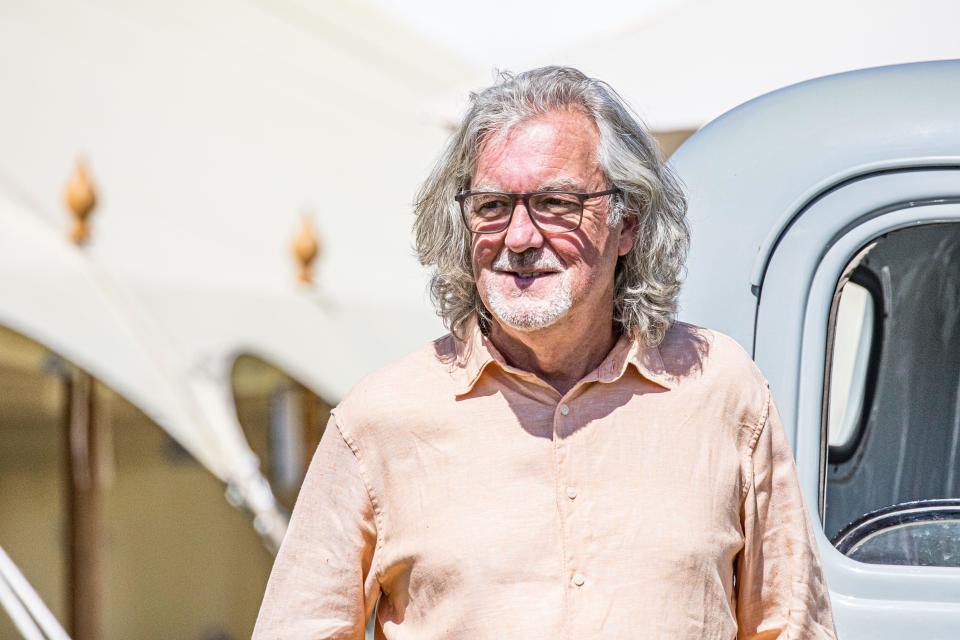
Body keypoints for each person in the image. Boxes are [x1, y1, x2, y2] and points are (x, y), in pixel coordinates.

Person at [253, 66, 836, 639]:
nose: (520, 237)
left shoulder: (720, 387)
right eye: (492, 206)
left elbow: (789, 625)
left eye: (556, 203)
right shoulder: (380, 420)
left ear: (626, 222)